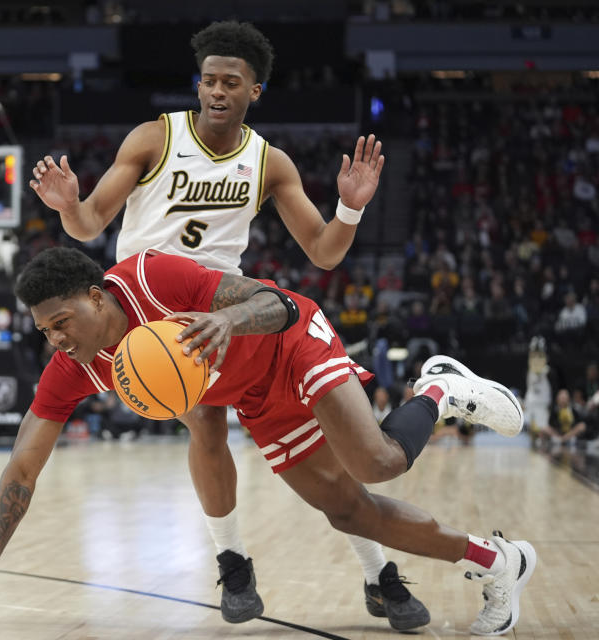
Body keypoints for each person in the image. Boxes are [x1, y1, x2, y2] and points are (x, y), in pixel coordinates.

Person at [28, 19, 426, 630]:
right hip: (147, 307)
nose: (215, 91)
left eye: (230, 82)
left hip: (224, 307)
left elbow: (322, 251)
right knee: (206, 427)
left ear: (253, 92)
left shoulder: (270, 163)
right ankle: (233, 559)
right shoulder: (154, 138)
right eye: (208, 80)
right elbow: (90, 224)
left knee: (325, 447)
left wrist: (351, 205)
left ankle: (377, 573)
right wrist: (68, 207)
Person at [0, 248, 535, 636]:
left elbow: (274, 304)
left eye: (61, 323)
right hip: (256, 399)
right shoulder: (75, 368)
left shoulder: (148, 277)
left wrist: (227, 320)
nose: (55, 339)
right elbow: (22, 468)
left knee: (377, 463)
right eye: (43, 330)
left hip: (290, 342)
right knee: (351, 511)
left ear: (95, 296)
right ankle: (497, 561)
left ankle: (438, 391)